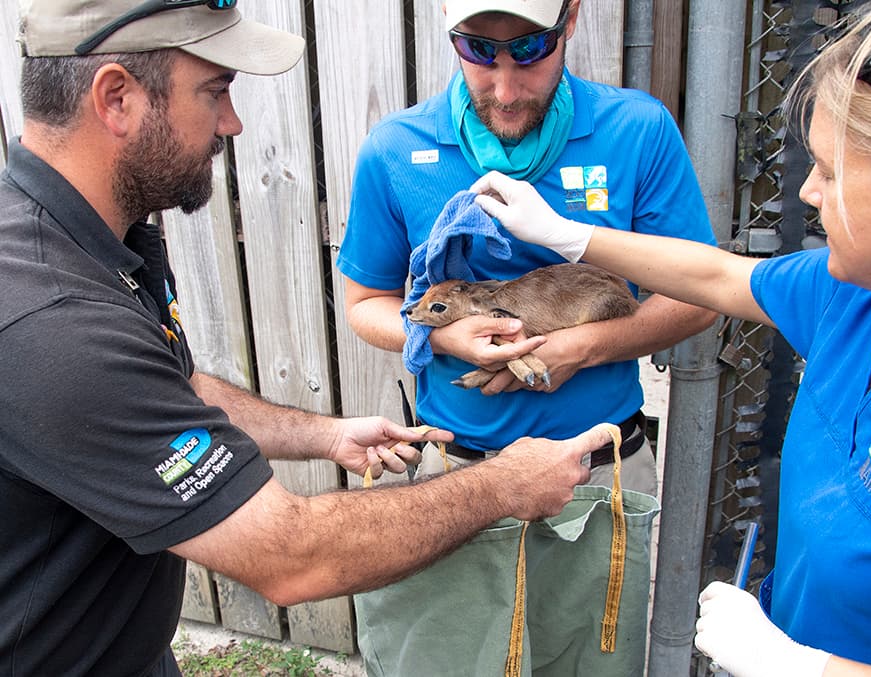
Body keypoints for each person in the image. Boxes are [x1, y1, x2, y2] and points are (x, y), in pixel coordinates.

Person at [0, 2, 616, 675]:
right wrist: (503, 485)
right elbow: (291, 555)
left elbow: (165, 389)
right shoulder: (50, 318)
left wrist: (321, 434)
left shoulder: (93, 243)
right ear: (116, 98)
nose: (232, 123)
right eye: (215, 91)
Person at [472, 0, 871, 673]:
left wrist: (798, 666)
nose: (808, 190)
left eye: (833, 173)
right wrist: (570, 235)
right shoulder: (860, 296)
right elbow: (722, 277)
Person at [336, 0, 717, 497]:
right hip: (457, 470)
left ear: (571, 18)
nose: (506, 91)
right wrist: (443, 337)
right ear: (447, 18)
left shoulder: (636, 129)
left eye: (531, 49)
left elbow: (699, 296)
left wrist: (578, 349)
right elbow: (366, 304)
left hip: (598, 465)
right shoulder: (395, 148)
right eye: (478, 51)